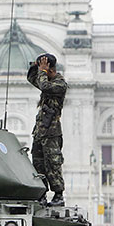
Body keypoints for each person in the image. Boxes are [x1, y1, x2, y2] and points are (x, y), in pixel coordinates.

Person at [27, 53, 68, 207]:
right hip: (40, 130)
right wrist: (35, 65)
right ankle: (41, 194)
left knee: (53, 162)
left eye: (44, 69)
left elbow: (44, 86)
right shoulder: (46, 79)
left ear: (50, 69)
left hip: (52, 131)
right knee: (38, 162)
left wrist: (43, 71)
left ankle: (58, 195)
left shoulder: (59, 84)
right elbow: (32, 79)